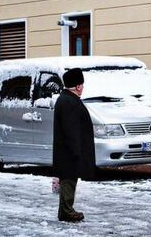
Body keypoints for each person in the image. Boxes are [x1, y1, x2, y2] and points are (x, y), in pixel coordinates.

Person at [53, 68, 96, 222]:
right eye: (82, 85)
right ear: (78, 86)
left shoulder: (66, 99)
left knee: (69, 178)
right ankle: (66, 211)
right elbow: (71, 129)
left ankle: (65, 210)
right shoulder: (69, 102)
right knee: (69, 179)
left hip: (68, 150)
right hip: (70, 151)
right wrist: (76, 151)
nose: (82, 88)